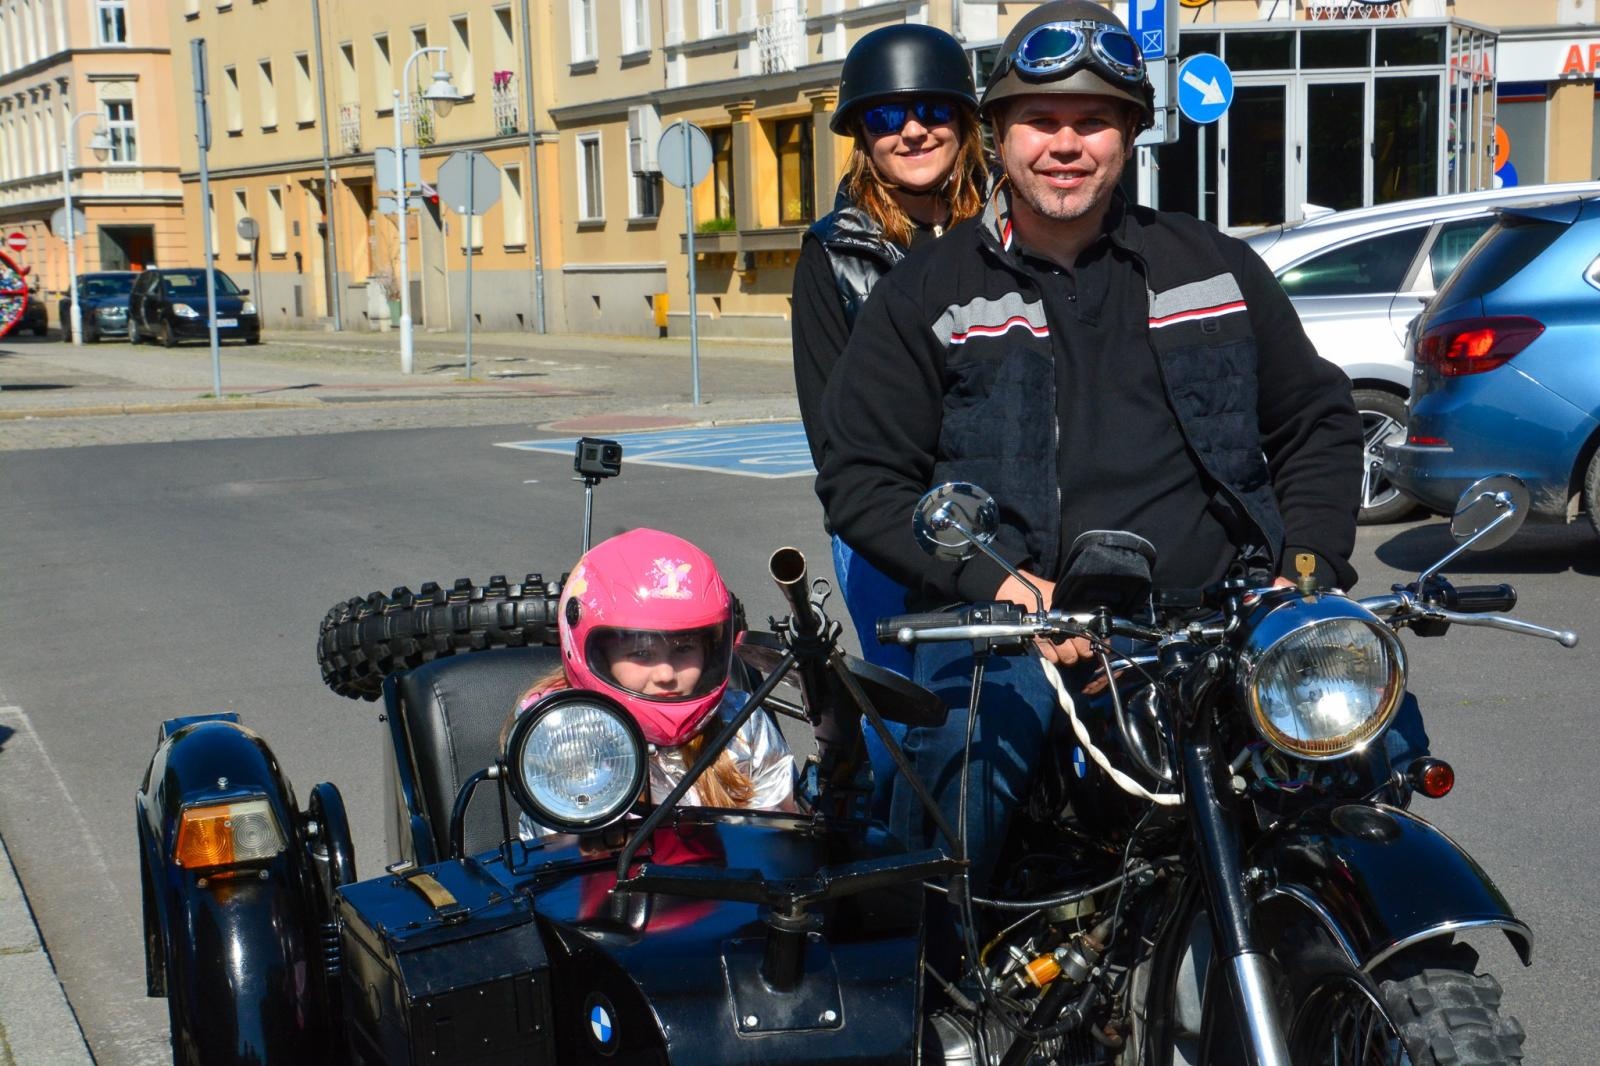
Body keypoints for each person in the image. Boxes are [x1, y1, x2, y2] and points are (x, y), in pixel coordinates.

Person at [814, 0, 1373, 890]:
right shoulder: (928, 293)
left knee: (1369, 759)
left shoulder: (1217, 269)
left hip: (1215, 619)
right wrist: (1006, 585)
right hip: (1019, 630)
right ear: (998, 134)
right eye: (1041, 120)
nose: (1065, 144)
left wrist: (1298, 573)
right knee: (958, 819)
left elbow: (1316, 420)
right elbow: (863, 480)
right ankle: (950, 1011)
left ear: (1130, 137)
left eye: (1094, 122)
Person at [792, 23, 990, 678]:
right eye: (886, 116)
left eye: (933, 109)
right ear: (862, 135)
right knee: (921, 729)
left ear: (962, 121)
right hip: (890, 530)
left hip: (1016, 521)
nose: (913, 131)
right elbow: (833, 436)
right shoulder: (833, 255)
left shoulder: (1013, 231)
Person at [505, 528, 796, 837]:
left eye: (684, 649)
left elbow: (779, 840)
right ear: (599, 655)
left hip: (734, 880)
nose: (666, 674)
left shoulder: (742, 724)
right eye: (641, 653)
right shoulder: (557, 735)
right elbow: (564, 857)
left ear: (711, 648)